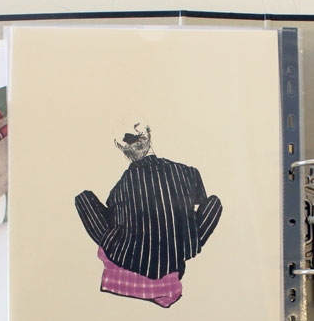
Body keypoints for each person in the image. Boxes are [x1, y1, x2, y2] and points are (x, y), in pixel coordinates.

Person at [75, 123, 222, 307]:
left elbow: (112, 213)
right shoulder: (189, 172)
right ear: (149, 134)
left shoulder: (123, 185)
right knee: (214, 203)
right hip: (175, 255)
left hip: (127, 256)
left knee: (83, 199)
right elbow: (205, 203)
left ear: (120, 146)